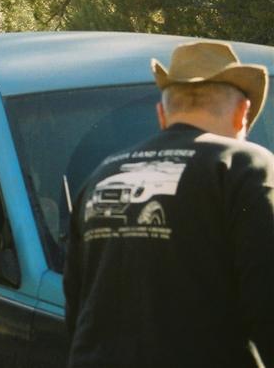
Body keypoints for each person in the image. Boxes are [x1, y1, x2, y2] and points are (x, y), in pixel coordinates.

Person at [64, 41, 274, 368]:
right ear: (241, 113)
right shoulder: (245, 165)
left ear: (162, 115)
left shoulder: (102, 174)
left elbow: (76, 311)